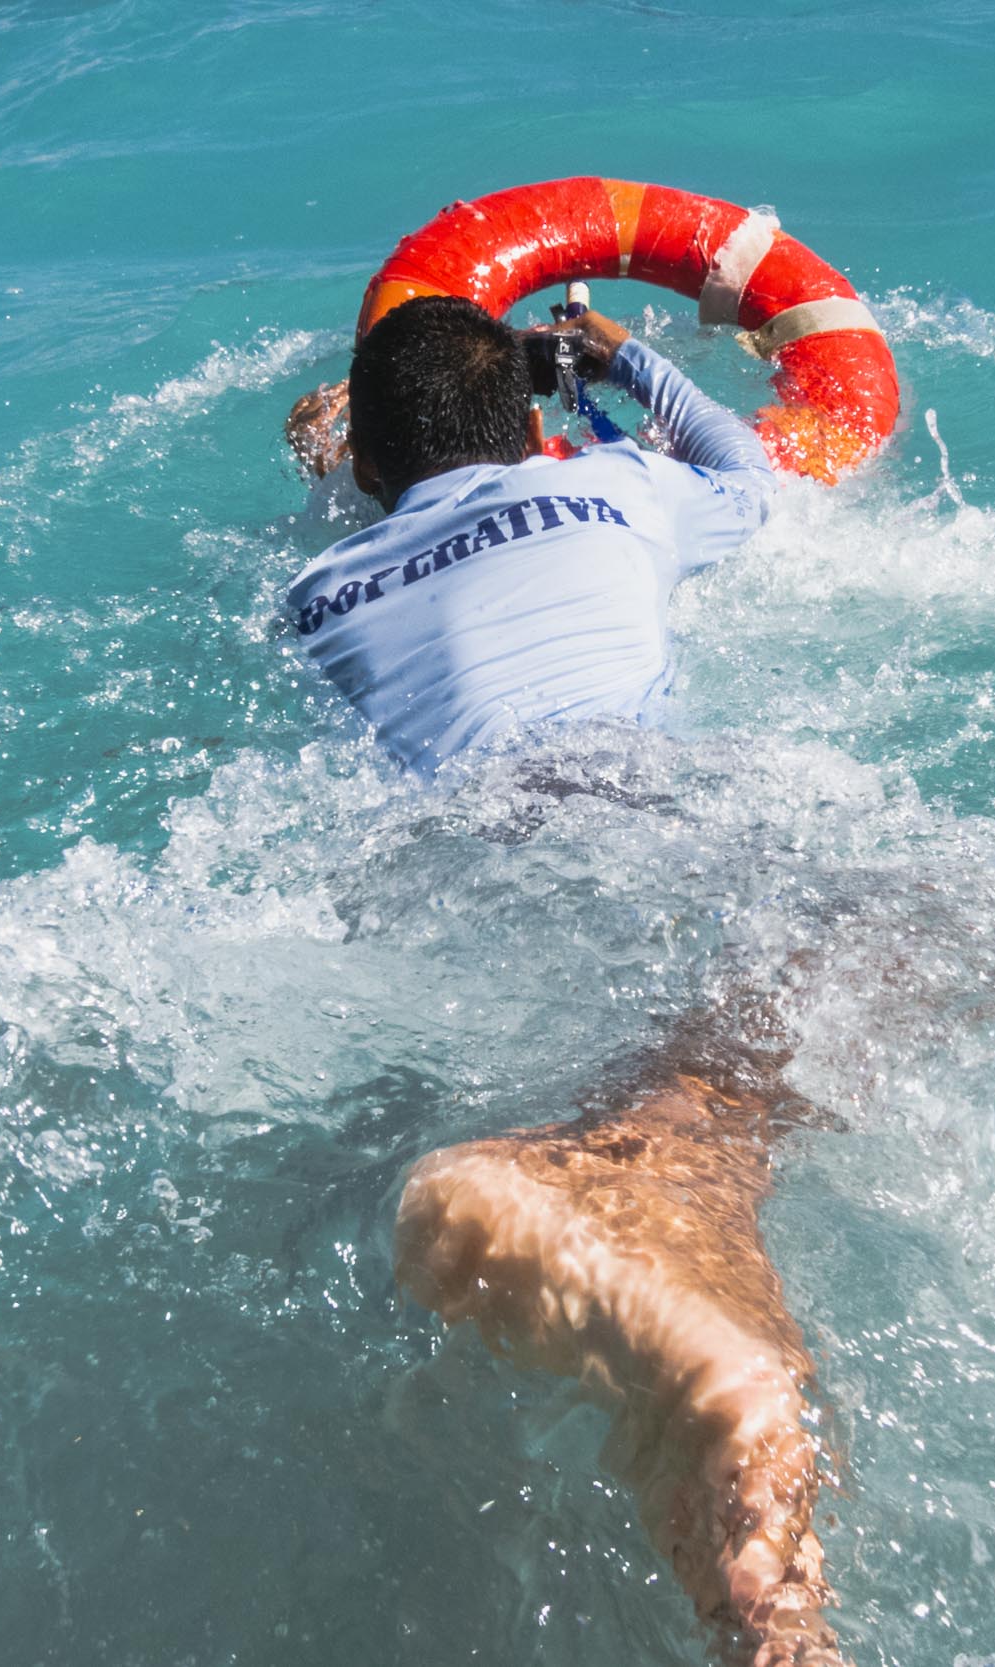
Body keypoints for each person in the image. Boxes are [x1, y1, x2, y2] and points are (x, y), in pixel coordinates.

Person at [281, 295, 847, 1667]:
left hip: (447, 864)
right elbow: (751, 477)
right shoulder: (611, 490)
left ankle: (774, 1604)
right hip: (638, 804)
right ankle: (625, 1191)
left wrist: (334, 474)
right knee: (887, 941)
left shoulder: (312, 597)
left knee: (686, 1053)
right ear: (537, 429)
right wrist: (621, 360)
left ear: (363, 473)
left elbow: (400, 556)